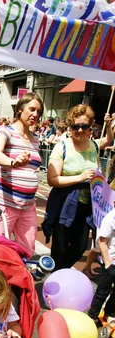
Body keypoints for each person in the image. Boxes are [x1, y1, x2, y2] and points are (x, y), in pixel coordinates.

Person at [44, 105, 113, 270]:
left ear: (91, 127)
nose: (80, 130)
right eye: (75, 126)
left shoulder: (94, 146)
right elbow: (52, 180)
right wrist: (80, 178)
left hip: (87, 206)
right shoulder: (62, 147)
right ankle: (58, 280)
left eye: (84, 126)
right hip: (65, 204)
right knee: (60, 249)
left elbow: (108, 140)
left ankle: (62, 271)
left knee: (80, 247)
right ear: (70, 126)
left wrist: (109, 125)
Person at [0, 92, 43, 258]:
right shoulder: (6, 131)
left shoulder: (35, 139)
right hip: (5, 204)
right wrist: (14, 162)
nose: (35, 114)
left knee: (27, 251)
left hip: (27, 206)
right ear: (20, 109)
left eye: (38, 111)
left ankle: (18, 283)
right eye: (32, 109)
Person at [87, 207, 115, 326]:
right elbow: (102, 242)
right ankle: (92, 315)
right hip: (111, 262)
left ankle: (109, 313)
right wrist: (107, 263)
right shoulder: (111, 218)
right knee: (102, 291)